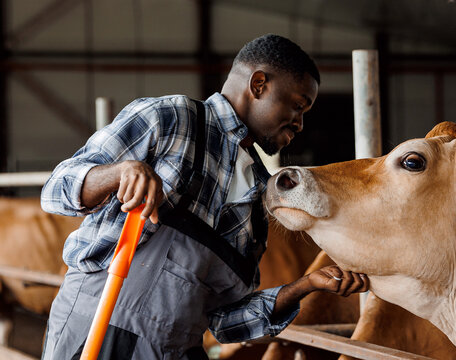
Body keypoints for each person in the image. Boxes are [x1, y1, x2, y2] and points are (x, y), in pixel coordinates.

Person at [40, 34, 369, 360]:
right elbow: (56, 190)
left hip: (174, 351)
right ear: (258, 85)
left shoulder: (258, 198)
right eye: (297, 106)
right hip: (94, 330)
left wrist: (304, 286)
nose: (299, 123)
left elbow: (225, 323)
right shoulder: (171, 120)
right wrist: (121, 171)